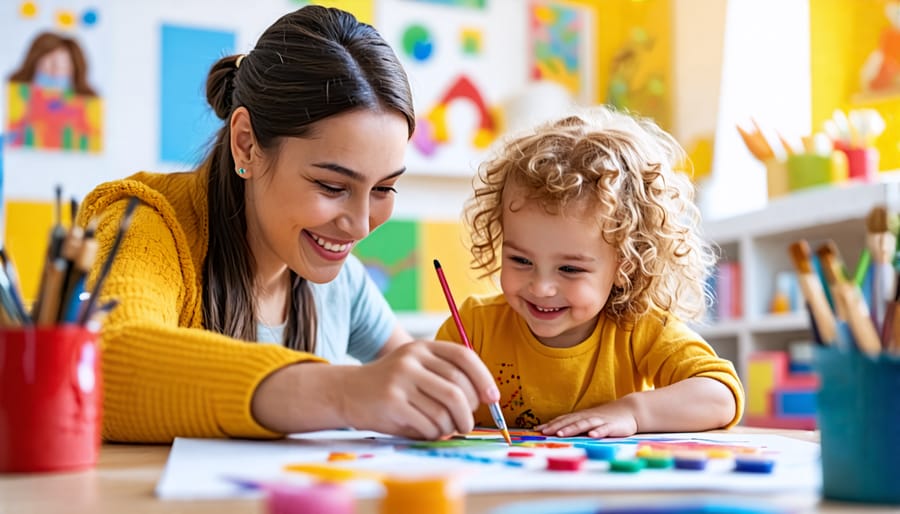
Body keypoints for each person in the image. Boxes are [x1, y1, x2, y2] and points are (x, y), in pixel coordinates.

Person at [76, 5, 499, 443]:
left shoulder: (342, 280)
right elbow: (105, 366)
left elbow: (425, 390)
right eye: (332, 186)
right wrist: (344, 392)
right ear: (246, 145)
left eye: (383, 189)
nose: (358, 227)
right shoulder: (148, 222)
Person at [436, 106, 744, 438]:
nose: (540, 287)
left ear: (625, 263)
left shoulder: (639, 329)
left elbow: (720, 396)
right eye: (521, 261)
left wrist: (633, 412)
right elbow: (423, 401)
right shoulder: (473, 327)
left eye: (569, 269)